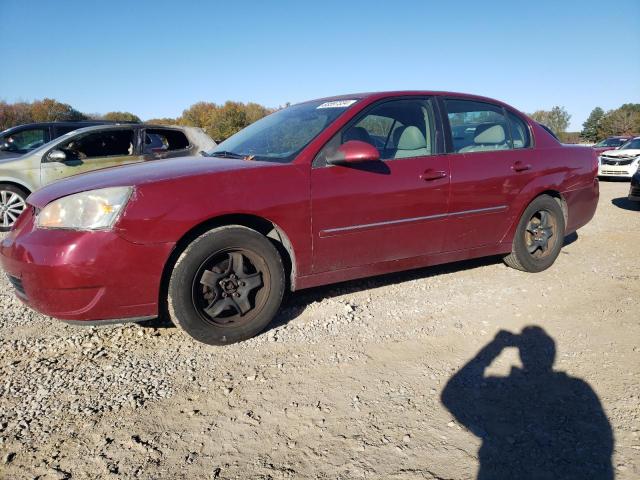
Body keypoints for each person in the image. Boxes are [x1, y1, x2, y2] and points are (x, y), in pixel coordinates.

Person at [441, 326, 613, 480]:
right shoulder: (577, 388)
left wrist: (495, 346)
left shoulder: (503, 388)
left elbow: (451, 395)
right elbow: (602, 440)